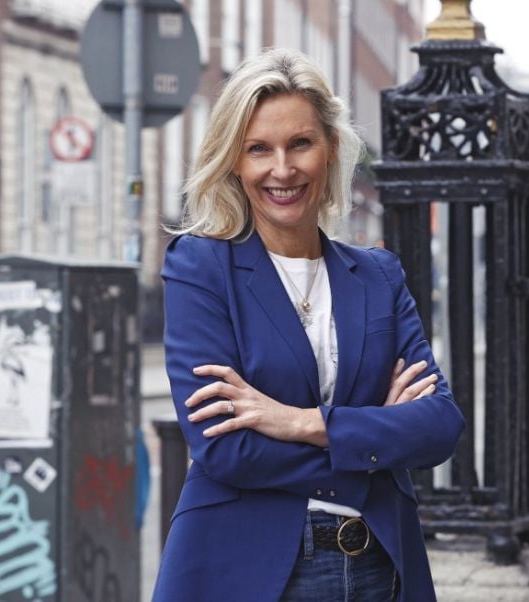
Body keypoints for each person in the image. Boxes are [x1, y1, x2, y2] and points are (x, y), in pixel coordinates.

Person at [152, 48, 464, 602]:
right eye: (258, 149)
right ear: (233, 162)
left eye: (300, 143)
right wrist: (373, 444)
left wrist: (302, 422)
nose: (282, 169)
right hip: (246, 570)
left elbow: (439, 424)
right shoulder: (201, 267)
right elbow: (223, 448)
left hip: (380, 566)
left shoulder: (378, 276)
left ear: (331, 149)